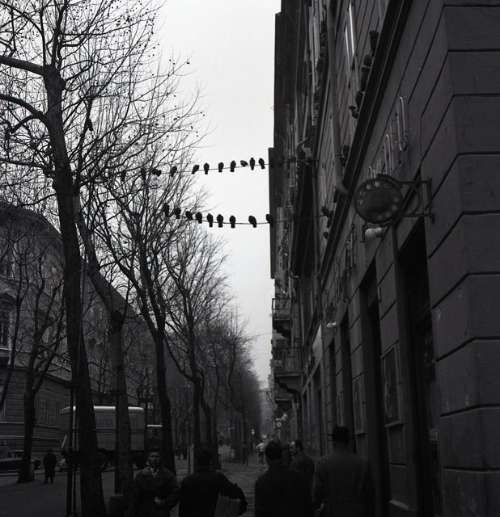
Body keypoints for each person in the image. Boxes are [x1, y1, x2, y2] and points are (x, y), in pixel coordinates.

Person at [312, 426, 373, 517]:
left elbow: (317, 494)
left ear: (333, 442)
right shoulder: (363, 463)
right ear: (348, 441)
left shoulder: (322, 464)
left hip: (332, 512)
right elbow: (369, 495)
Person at [178, 447, 247, 517]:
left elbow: (183, 507)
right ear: (210, 462)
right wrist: (240, 509)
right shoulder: (218, 478)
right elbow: (236, 492)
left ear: (196, 462)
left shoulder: (187, 481)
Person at [254, 441, 312, 517]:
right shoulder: (296, 477)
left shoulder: (261, 482)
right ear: (281, 456)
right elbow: (307, 504)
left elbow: (259, 512)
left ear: (267, 459)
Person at [127, 449, 179, 517]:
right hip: (144, 512)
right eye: (152, 456)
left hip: (160, 512)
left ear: (160, 458)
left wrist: (164, 502)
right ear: (148, 458)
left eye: (157, 456)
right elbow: (135, 496)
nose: (154, 459)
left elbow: (175, 492)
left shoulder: (168, 475)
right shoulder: (141, 475)